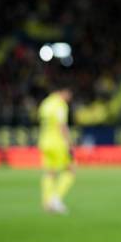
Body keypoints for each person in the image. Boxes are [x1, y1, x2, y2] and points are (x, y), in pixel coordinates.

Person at [38, 86, 75, 214]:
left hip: (44, 141)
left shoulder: (45, 103)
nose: (69, 98)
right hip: (57, 143)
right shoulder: (60, 104)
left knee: (49, 172)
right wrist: (70, 144)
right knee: (70, 169)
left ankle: (47, 202)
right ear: (64, 91)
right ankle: (56, 199)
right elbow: (62, 125)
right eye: (69, 95)